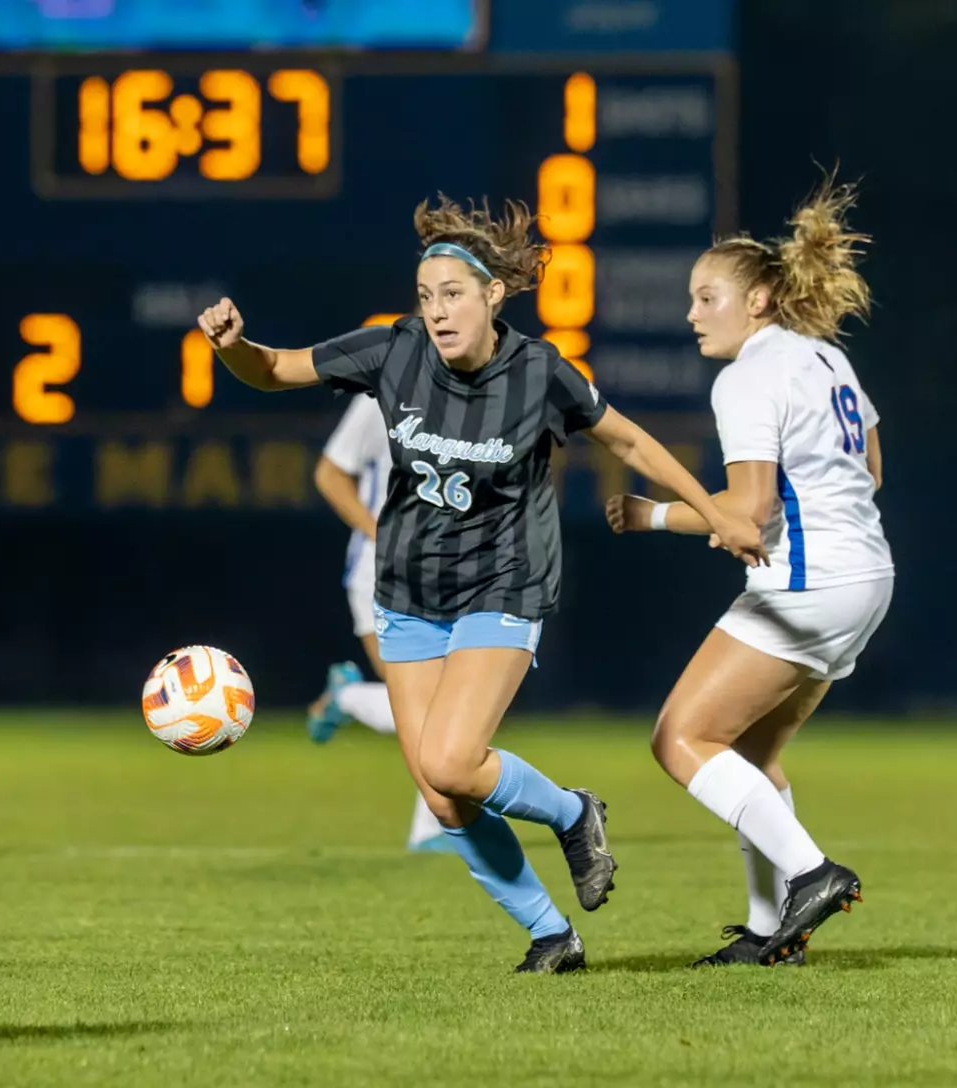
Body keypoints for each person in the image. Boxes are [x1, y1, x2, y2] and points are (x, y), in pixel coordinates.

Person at [197, 194, 765, 973]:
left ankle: (573, 815)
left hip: (504, 583)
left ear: (494, 294)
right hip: (406, 590)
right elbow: (271, 370)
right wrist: (232, 345)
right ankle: (551, 935)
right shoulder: (392, 352)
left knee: (455, 760)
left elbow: (629, 438)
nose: (436, 310)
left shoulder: (539, 372)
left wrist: (715, 512)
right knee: (440, 794)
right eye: (426, 296)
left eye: (453, 294)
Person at [605, 177, 889, 967]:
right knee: (753, 756)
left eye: (707, 297)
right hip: (866, 576)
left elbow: (753, 506)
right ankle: (774, 933)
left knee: (680, 738)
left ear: (760, 299)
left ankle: (812, 873)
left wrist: (655, 514)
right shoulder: (826, 358)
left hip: (810, 581)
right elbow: (869, 467)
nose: (692, 313)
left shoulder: (749, 375)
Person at [305, 391, 449, 853]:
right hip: (380, 573)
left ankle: (345, 696)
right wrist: (379, 536)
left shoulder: (480, 397)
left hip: (450, 572)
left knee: (448, 708)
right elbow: (329, 473)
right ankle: (432, 831)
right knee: (429, 710)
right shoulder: (382, 397)